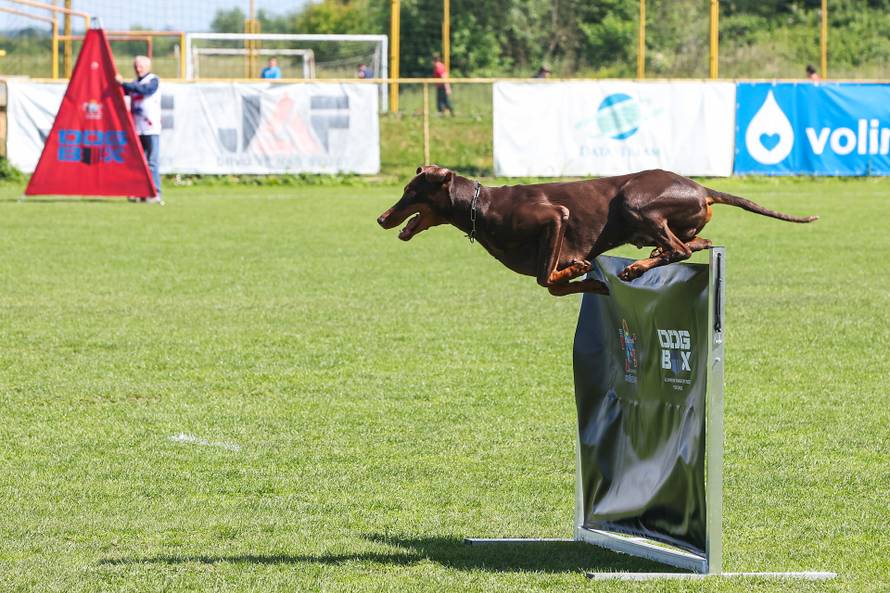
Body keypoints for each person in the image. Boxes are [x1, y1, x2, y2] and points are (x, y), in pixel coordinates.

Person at [115, 55, 162, 205]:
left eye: (140, 65)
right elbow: (125, 91)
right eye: (135, 65)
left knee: (152, 162)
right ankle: (139, 191)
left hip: (151, 128)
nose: (137, 68)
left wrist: (124, 84)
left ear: (148, 66)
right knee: (138, 162)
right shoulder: (135, 83)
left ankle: (155, 193)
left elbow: (145, 90)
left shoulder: (153, 80)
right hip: (137, 128)